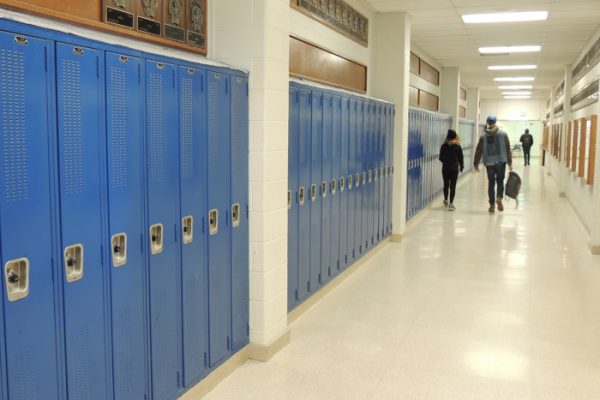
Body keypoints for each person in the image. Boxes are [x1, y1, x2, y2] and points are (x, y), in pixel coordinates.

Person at [473, 115, 513, 213]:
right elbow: (508, 149)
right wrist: (510, 163)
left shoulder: (483, 136)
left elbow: (479, 150)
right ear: (495, 122)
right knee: (500, 181)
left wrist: (476, 164)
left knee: (491, 183)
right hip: (501, 162)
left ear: (487, 123)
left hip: (489, 163)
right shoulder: (503, 134)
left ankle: (491, 205)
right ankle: (499, 197)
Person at [438, 129, 464, 211]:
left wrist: (446, 162)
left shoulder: (443, 146)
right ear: (455, 137)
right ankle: (451, 204)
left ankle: (445, 200)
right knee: (453, 186)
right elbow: (461, 158)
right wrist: (462, 166)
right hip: (454, 168)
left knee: (446, 184)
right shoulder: (457, 147)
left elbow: (440, 158)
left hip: (445, 168)